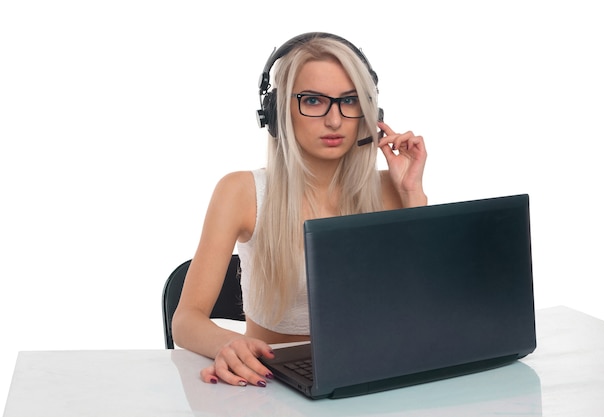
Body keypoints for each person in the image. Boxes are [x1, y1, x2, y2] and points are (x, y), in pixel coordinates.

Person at [171, 32, 427, 388]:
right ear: (278, 112)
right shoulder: (241, 192)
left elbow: (428, 308)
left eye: (349, 101)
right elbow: (185, 320)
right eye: (313, 100)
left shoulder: (390, 188)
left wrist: (412, 194)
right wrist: (226, 345)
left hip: (370, 378)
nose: (335, 120)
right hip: (273, 385)